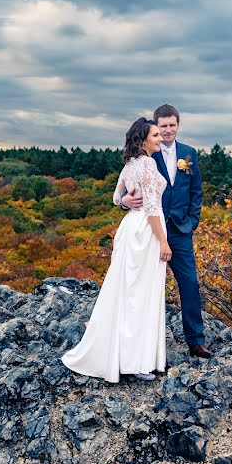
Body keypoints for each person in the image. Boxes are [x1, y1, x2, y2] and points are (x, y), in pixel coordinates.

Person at [61, 118, 170, 382]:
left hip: (132, 227)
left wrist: (123, 201)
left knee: (128, 291)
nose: (160, 138)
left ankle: (126, 355)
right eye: (155, 135)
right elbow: (153, 208)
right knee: (139, 294)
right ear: (143, 140)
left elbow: (115, 196)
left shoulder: (130, 164)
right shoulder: (147, 164)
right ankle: (135, 361)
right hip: (146, 231)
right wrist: (164, 243)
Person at [121, 104, 212, 358]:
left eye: (173, 125)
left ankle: (196, 342)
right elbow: (125, 189)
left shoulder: (189, 154)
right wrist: (122, 202)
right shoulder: (146, 157)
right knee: (146, 287)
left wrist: (192, 221)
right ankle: (143, 347)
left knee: (190, 285)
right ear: (155, 128)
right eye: (163, 127)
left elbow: (196, 192)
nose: (168, 131)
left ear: (178, 125)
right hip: (152, 231)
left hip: (180, 230)